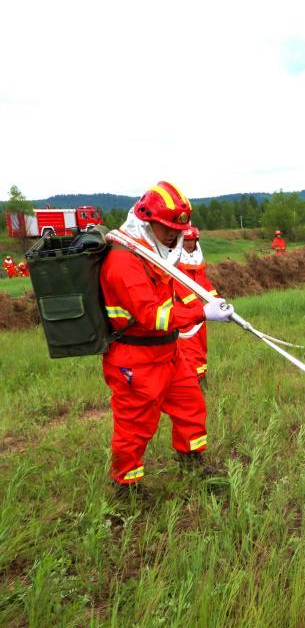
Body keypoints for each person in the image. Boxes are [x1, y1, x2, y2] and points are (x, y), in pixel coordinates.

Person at [101, 182, 234, 495]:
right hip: (135, 359)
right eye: (168, 228)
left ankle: (192, 463)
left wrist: (208, 304)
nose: (175, 235)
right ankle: (126, 489)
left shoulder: (153, 252)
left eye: (179, 230)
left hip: (169, 352)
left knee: (191, 406)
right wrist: (201, 313)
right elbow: (153, 316)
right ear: (147, 222)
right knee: (134, 426)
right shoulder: (124, 260)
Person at [176, 226, 217, 381]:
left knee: (201, 344)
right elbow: (178, 285)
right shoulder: (175, 261)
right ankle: (195, 379)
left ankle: (202, 375)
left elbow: (203, 282)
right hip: (184, 310)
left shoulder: (197, 260)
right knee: (190, 347)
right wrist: (195, 304)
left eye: (192, 240)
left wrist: (216, 299)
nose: (189, 244)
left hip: (199, 310)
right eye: (186, 240)